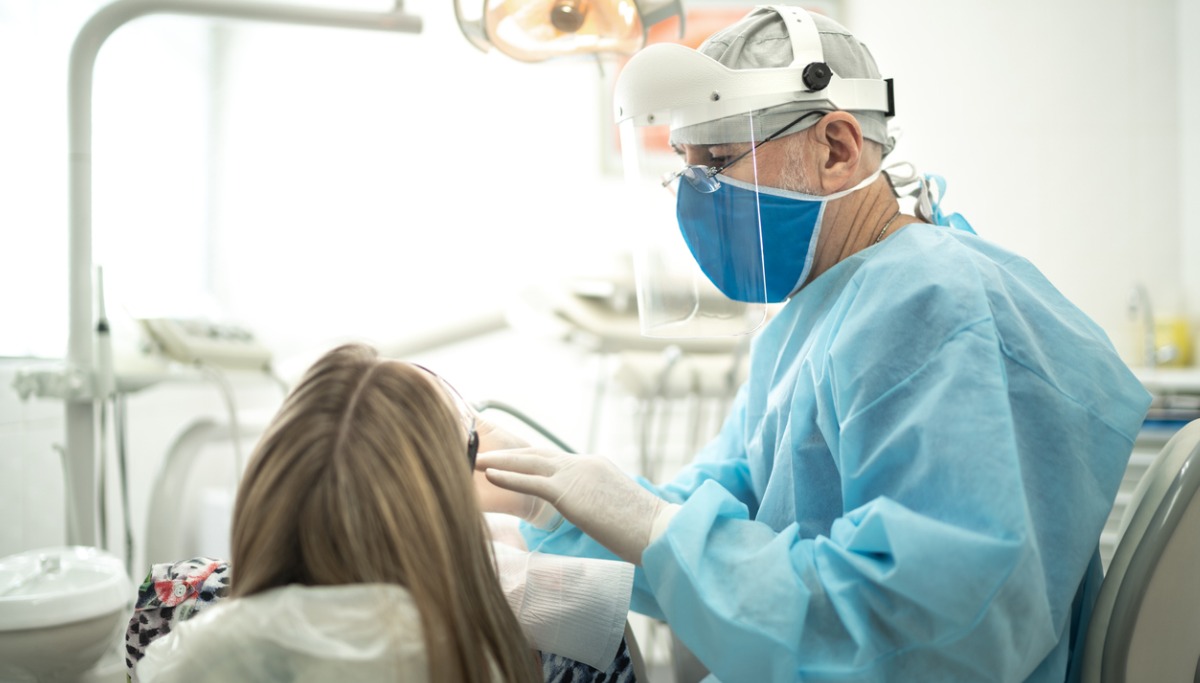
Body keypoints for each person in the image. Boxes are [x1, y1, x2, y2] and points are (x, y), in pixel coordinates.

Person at [473, 5, 1153, 683]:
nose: (695, 194)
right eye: (685, 165)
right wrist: (550, 502)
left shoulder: (932, 308)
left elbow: (927, 634)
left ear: (836, 148)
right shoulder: (813, 317)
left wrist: (651, 525)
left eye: (718, 160)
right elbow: (722, 514)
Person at [128, 342, 637, 683]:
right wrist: (548, 513)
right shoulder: (553, 646)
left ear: (272, 488)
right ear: (447, 501)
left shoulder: (173, 606)